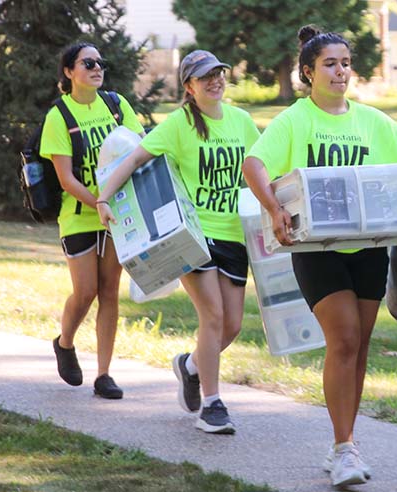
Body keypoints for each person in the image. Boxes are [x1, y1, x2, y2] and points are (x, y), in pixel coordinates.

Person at [242, 25, 397, 487]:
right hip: (314, 249)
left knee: (359, 346)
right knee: (343, 339)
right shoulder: (296, 120)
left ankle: (343, 443)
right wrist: (273, 207)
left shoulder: (373, 122)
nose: (340, 70)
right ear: (308, 72)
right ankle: (345, 448)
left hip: (368, 248)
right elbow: (255, 164)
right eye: (329, 63)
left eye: (345, 62)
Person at [97, 50, 259, 434]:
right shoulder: (180, 123)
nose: (215, 81)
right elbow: (134, 159)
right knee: (213, 316)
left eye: (219, 74)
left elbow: (261, 165)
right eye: (205, 77)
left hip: (233, 234)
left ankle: (189, 367)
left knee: (232, 326)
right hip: (192, 234)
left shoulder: (242, 121)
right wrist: (104, 198)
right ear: (189, 86)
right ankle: (213, 404)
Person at [42, 42, 145, 399]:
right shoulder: (59, 116)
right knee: (85, 292)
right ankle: (65, 342)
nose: (97, 68)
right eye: (88, 63)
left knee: (109, 291)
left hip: (116, 213)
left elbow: (138, 149)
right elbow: (66, 179)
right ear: (69, 72)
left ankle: (104, 374)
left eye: (100, 62)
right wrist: (97, 203)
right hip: (79, 216)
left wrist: (110, 203)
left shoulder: (117, 106)